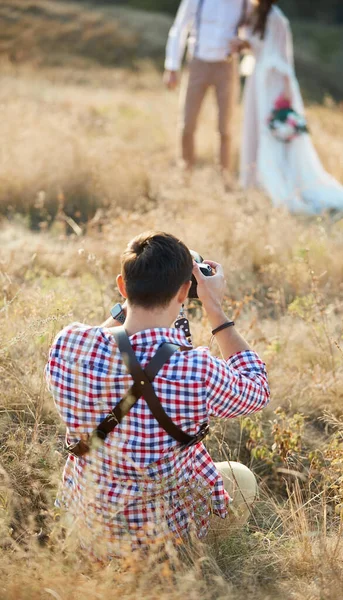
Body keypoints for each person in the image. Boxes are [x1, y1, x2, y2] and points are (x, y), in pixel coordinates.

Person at [46, 232, 270, 557]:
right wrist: (214, 307)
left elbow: (103, 338)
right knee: (241, 478)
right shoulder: (196, 368)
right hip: (158, 541)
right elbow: (257, 388)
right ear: (184, 292)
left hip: (85, 526)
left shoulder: (69, 344)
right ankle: (189, 557)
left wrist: (128, 309)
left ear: (122, 287)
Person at [237, 1, 343, 220]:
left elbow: (285, 57)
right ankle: (255, 179)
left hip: (275, 82)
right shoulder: (251, 14)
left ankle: (279, 180)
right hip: (258, 80)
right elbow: (254, 45)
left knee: (271, 130)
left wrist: (285, 90)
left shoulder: (277, 18)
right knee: (254, 127)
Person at [164, 0, 252, 180]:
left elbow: (252, 33)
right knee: (188, 122)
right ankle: (185, 172)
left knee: (225, 127)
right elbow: (180, 27)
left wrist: (243, 43)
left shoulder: (244, 3)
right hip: (198, 63)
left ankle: (224, 176)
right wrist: (172, 67)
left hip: (227, 66)